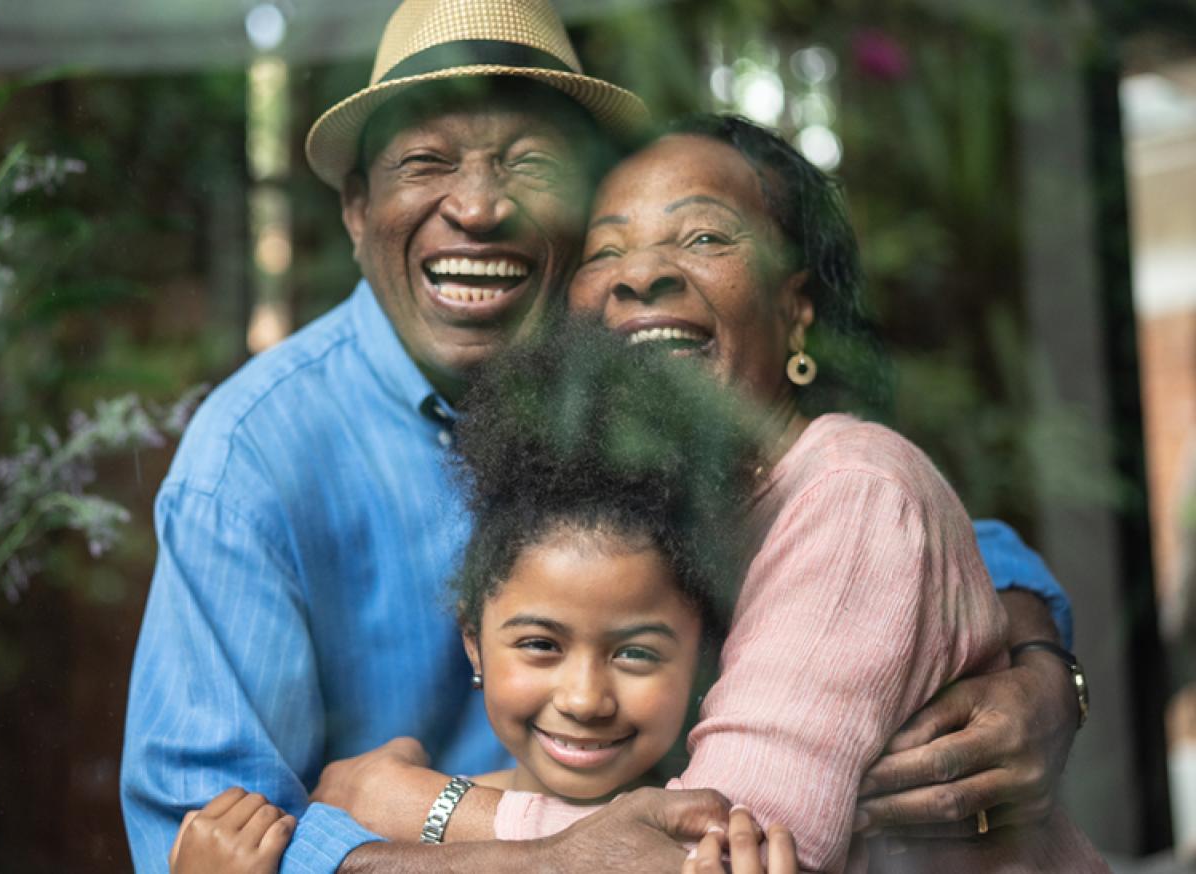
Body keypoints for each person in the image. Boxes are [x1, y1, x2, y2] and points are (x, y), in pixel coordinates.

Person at [121, 1, 1084, 871]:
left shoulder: (637, 382)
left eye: (528, 164)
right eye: (426, 161)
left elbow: (868, 518)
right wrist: (498, 854)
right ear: (357, 209)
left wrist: (1040, 668)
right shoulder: (252, 459)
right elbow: (202, 837)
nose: (479, 207)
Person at [310, 115, 1105, 871]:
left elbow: (718, 854)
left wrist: (419, 810)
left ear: (797, 313)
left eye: (703, 237)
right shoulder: (658, 515)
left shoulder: (856, 492)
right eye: (605, 249)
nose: (643, 273)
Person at [169, 322, 801, 873]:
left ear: (701, 652)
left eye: (635, 653)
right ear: (474, 641)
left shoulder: (724, 843)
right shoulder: (390, 834)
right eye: (539, 644)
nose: (584, 699)